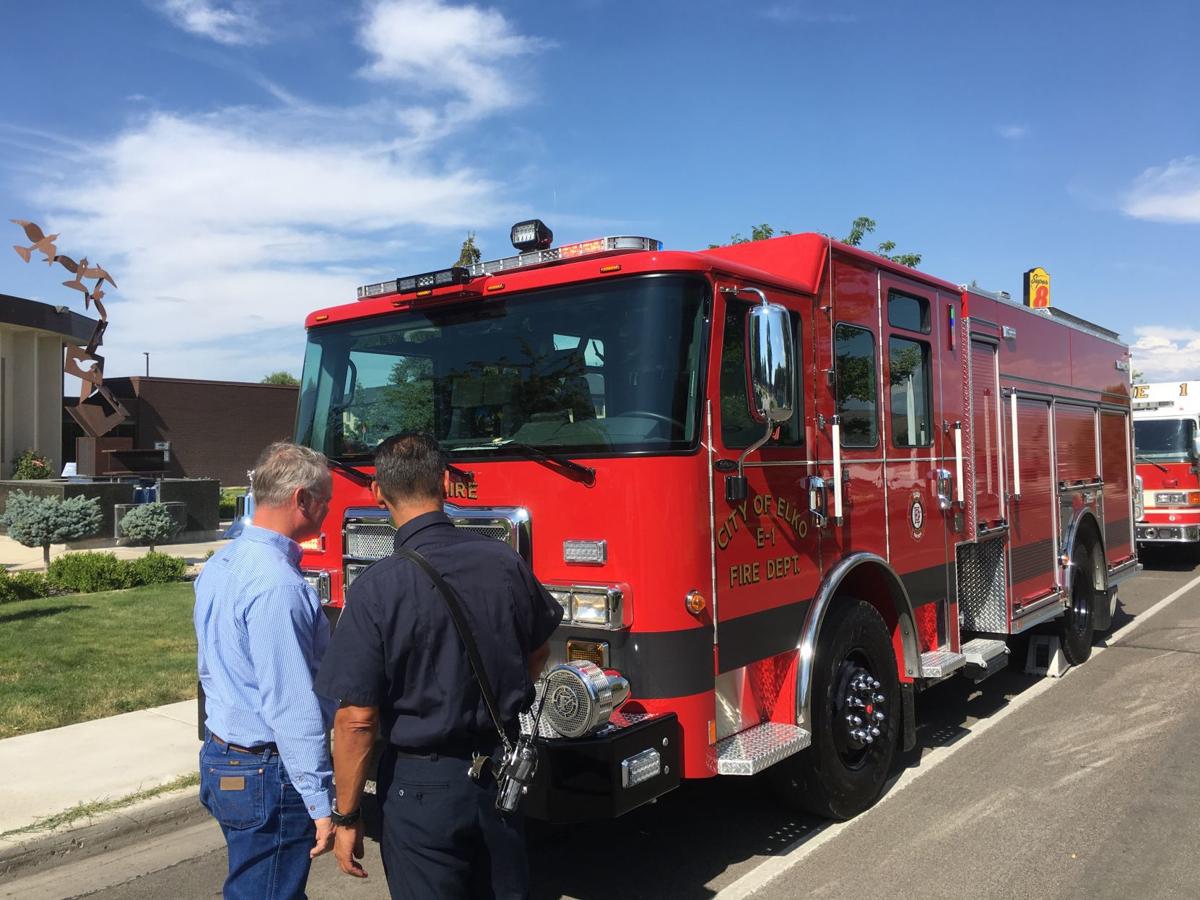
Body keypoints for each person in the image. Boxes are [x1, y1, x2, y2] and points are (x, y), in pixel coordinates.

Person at [315, 432, 562, 899]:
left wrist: (347, 816)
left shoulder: (376, 588)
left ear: (376, 492)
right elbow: (538, 653)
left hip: (420, 786)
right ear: (447, 482)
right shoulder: (503, 561)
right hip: (499, 774)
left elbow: (356, 720)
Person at [194, 442, 336, 899]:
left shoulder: (221, 563)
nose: (329, 510)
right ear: (302, 500)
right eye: (326, 500)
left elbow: (211, 668)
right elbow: (291, 703)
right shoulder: (279, 585)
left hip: (223, 758)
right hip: (266, 771)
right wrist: (320, 801)